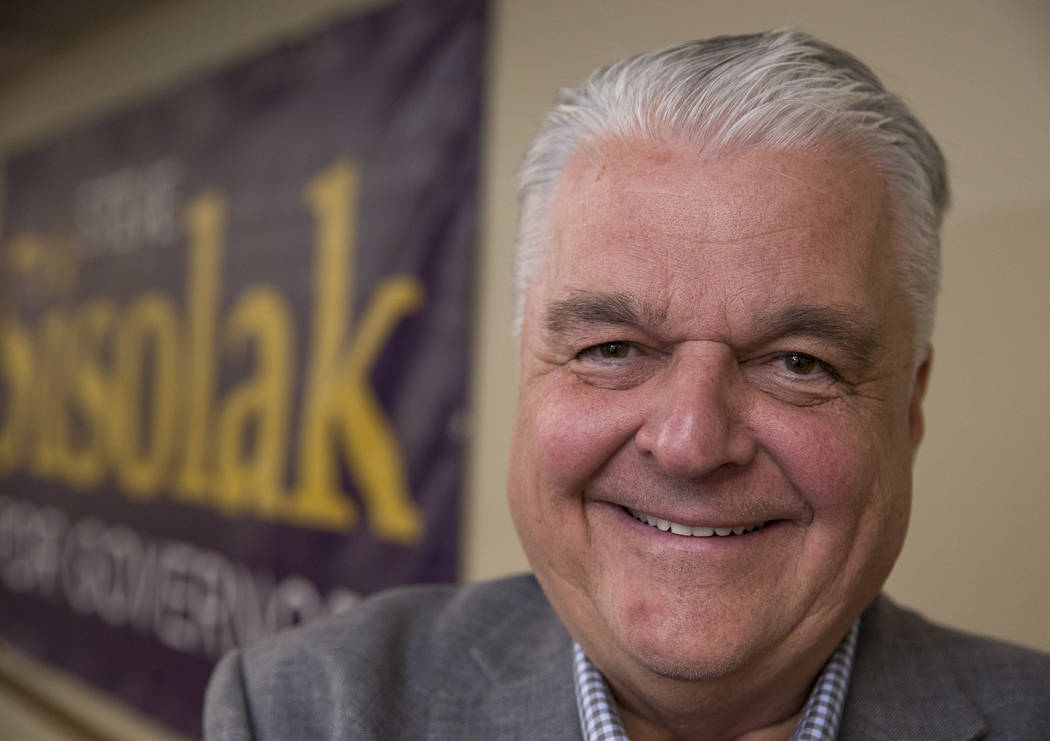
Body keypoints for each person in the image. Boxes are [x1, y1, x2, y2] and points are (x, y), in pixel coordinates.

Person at [204, 29, 1050, 740]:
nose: (690, 442)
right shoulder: (298, 711)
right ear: (528, 373)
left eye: (799, 362)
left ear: (909, 408)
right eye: (612, 348)